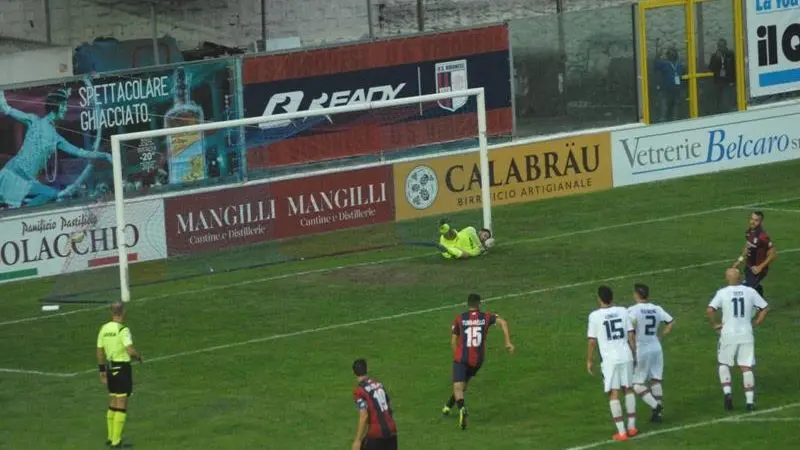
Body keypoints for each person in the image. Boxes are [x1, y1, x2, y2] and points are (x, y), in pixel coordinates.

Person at [0, 88, 111, 208]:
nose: (66, 109)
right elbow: (6, 109)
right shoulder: (34, 120)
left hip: (26, 181)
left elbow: (80, 152)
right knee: (50, 194)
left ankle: (23, 211)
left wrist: (102, 155)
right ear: (55, 106)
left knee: (51, 194)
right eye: (63, 106)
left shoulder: (56, 138)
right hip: (13, 173)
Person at [442, 293, 513, 429]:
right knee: (462, 386)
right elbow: (503, 322)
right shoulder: (486, 317)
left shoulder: (460, 318)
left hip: (462, 358)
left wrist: (457, 358)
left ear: (467, 304)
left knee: (458, 386)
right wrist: (508, 342)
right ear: (479, 304)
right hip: (478, 360)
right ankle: (447, 407)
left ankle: (462, 408)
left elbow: (453, 341)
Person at [707, 268, 769, 412]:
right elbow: (765, 308)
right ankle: (749, 402)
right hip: (746, 333)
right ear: (740, 277)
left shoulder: (722, 293)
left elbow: (710, 310)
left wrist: (715, 324)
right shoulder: (750, 291)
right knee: (746, 367)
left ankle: (728, 393)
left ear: (726, 278)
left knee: (723, 363)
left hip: (728, 333)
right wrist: (755, 323)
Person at [587, 286, 637, 441]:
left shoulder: (594, 316)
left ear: (599, 298)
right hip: (626, 355)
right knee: (628, 389)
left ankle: (622, 432)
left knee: (613, 392)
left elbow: (592, 341)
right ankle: (632, 427)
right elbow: (631, 335)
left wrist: (589, 360)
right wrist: (634, 354)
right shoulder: (623, 311)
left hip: (610, 359)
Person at [96, 301, 142, 448]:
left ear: (111, 312)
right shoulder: (123, 330)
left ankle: (110, 437)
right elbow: (130, 350)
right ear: (123, 313)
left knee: (113, 401)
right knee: (121, 403)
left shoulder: (104, 328)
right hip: (122, 369)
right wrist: (138, 356)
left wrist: (102, 370)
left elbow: (99, 351)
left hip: (110, 368)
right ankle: (117, 442)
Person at [627, 283, 674, 422]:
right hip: (656, 347)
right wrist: (661, 335)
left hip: (642, 348)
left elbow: (630, 331)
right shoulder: (657, 309)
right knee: (655, 379)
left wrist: (633, 349)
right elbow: (670, 322)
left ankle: (656, 406)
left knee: (637, 384)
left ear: (636, 295)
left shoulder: (633, 310)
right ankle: (658, 415)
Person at [351, 359, 398, 450]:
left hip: (376, 434)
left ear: (353, 372)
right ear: (367, 369)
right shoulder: (379, 384)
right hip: (392, 430)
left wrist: (358, 440)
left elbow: (364, 415)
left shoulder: (359, 391)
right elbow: (388, 406)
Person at [732, 211, 776, 296]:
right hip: (749, 266)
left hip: (758, 269)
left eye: (756, 220)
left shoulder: (762, 236)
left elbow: (773, 254)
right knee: (752, 286)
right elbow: (747, 246)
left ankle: (754, 307)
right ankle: (762, 305)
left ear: (760, 222)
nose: (752, 222)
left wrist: (760, 267)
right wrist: (739, 260)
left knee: (746, 289)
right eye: (752, 219)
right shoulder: (749, 231)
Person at [653, 45, 685, 122]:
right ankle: (663, 122)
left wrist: (683, 89)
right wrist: (658, 54)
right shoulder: (665, 63)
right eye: (670, 53)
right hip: (666, 91)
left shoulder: (680, 65)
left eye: (673, 53)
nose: (671, 54)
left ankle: (674, 122)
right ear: (668, 55)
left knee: (675, 110)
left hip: (676, 91)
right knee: (664, 109)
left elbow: (683, 77)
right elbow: (656, 64)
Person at [708, 38, 736, 113]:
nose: (720, 48)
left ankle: (728, 113)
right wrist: (716, 60)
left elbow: (735, 67)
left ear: (725, 46)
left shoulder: (730, 54)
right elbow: (711, 68)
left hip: (728, 82)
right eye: (719, 46)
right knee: (718, 100)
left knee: (726, 100)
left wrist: (733, 80)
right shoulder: (714, 56)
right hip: (718, 82)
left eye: (722, 46)